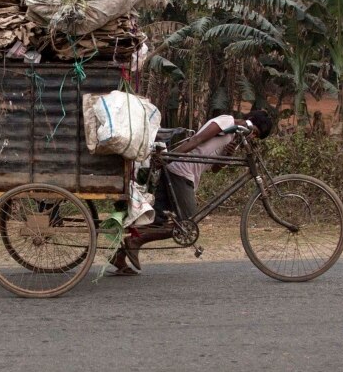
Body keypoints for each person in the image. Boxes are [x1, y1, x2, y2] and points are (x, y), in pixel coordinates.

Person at [109, 109, 273, 275]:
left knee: (158, 221)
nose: (251, 137)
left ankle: (119, 256)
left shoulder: (231, 137)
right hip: (180, 172)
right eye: (254, 132)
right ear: (250, 122)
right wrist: (169, 158)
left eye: (255, 136)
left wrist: (227, 154)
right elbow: (197, 140)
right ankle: (135, 242)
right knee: (188, 224)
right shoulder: (227, 121)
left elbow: (215, 168)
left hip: (181, 174)